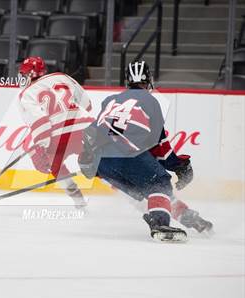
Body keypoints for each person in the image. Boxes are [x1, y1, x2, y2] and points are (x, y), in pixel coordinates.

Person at [78, 60, 213, 242]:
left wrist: (88, 160)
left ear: (128, 81)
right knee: (160, 183)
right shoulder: (151, 101)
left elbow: (91, 133)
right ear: (148, 80)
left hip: (102, 162)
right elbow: (160, 146)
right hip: (127, 154)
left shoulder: (111, 100)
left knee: (153, 195)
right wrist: (178, 165)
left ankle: (191, 218)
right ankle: (159, 223)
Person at [17, 56, 95, 208]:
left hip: (60, 136)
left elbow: (40, 122)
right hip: (86, 126)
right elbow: (87, 104)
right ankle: (129, 195)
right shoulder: (63, 77)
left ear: (28, 75)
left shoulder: (26, 94)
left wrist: (42, 145)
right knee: (101, 164)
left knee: (55, 167)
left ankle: (79, 201)